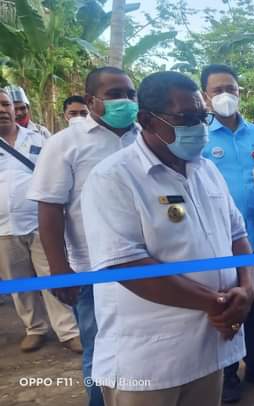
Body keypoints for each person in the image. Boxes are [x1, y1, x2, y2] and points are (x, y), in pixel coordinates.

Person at [79, 70, 254, 406]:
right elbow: (126, 265)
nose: (198, 127)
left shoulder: (206, 170)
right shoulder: (113, 178)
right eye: (185, 118)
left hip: (209, 349)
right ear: (147, 120)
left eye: (202, 117)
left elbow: (238, 236)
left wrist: (247, 289)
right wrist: (216, 303)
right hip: (149, 363)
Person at [27, 66, 140, 406]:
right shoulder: (65, 143)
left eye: (130, 94)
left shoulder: (146, 137)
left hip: (146, 264)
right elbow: (50, 209)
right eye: (115, 95)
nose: (126, 101)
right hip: (92, 269)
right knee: (99, 348)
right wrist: (59, 270)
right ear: (91, 101)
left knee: (143, 346)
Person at [200, 64, 254, 401]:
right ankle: (228, 371)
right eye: (217, 90)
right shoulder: (200, 136)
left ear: (239, 92)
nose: (225, 95)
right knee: (226, 305)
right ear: (205, 96)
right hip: (218, 243)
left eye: (231, 89)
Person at [0, 88, 82, 354]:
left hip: (40, 222)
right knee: (18, 283)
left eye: (6, 104)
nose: (2, 110)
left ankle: (69, 331)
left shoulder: (40, 138)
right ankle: (34, 328)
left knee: (52, 276)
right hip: (3, 228)